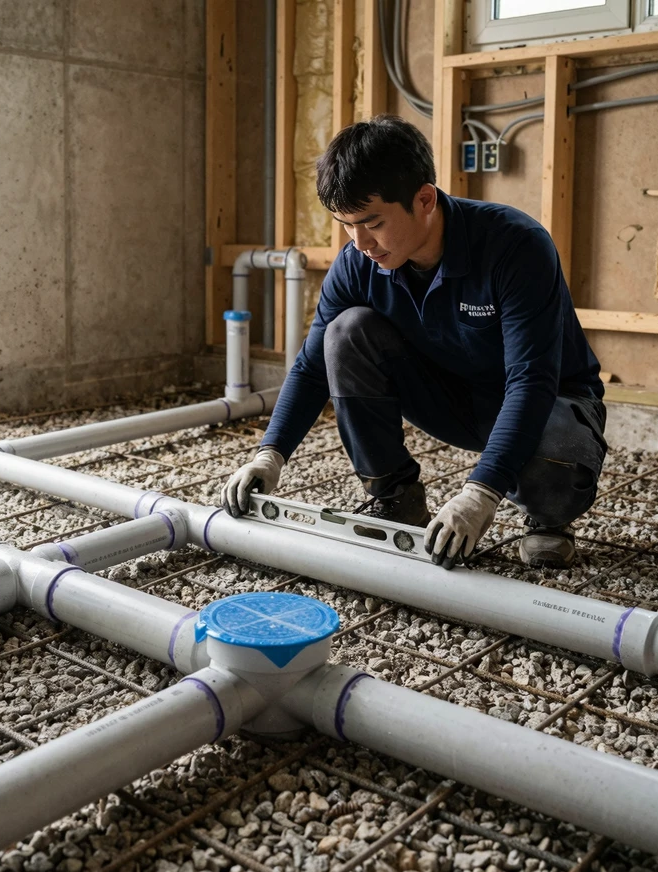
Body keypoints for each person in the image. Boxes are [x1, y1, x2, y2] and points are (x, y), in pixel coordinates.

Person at [221, 115, 607, 570]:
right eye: (346, 225)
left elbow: (531, 380)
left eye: (372, 223)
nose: (360, 243)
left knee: (554, 462)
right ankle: (397, 499)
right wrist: (270, 455)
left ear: (424, 199)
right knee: (345, 333)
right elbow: (311, 367)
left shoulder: (515, 246)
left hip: (550, 403)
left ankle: (547, 519)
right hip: (452, 398)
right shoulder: (359, 263)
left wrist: (480, 494)